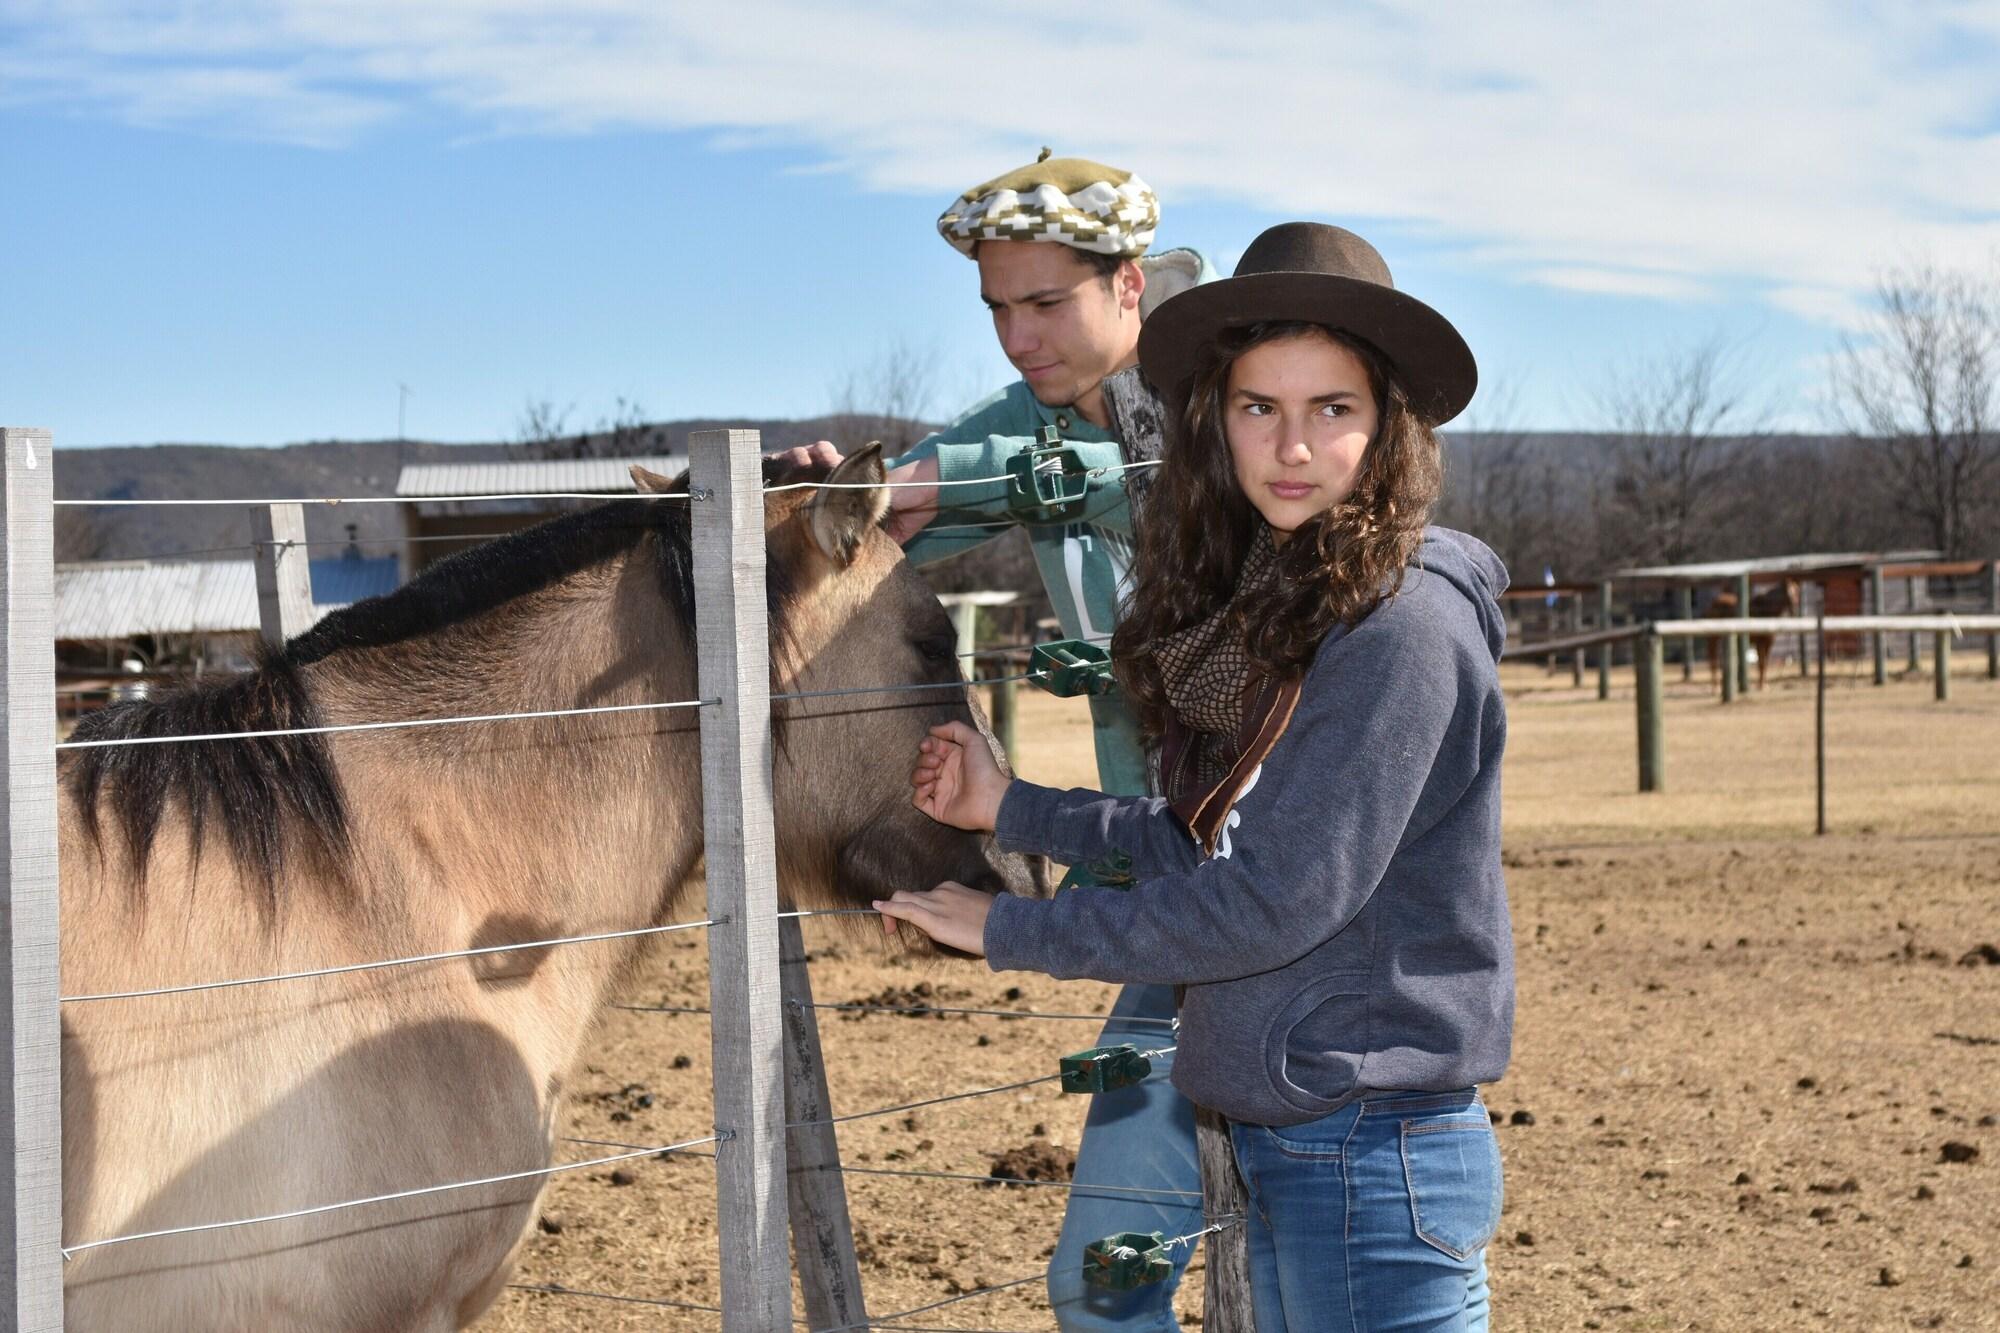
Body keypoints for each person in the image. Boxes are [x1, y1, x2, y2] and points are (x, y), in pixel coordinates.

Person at [877, 221, 1514, 1332]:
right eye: (1257, 406)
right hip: (1298, 1128)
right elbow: (1206, 841)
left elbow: (1266, 904)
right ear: (1215, 423)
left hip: (1365, 1148)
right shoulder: (1293, 609)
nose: (1291, 447)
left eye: (1332, 410)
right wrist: (1013, 808)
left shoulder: (1395, 632)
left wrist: (1009, 930)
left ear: (1388, 427)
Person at [783, 150, 1217, 1332]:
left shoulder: (1233, 393)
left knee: (1291, 1267)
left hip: (1286, 890)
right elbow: (897, 512)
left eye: (1045, 304)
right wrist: (823, 504)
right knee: (1106, 1281)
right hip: (1164, 895)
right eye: (995, 309)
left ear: (1128, 284)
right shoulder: (1022, 417)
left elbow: (1129, 481)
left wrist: (984, 478)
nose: (1018, 340)